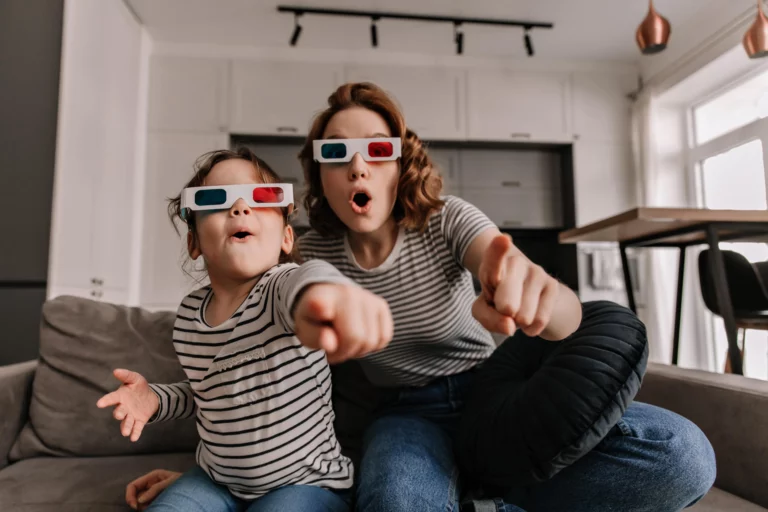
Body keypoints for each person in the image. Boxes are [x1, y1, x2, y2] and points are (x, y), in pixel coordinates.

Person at [126, 83, 715, 512]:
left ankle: (483, 497)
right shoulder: (304, 254)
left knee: (684, 456)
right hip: (407, 414)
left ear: (399, 162)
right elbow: (240, 364)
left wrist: (535, 292)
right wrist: (205, 484)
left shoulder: (447, 221)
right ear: (319, 176)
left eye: (377, 150)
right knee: (396, 504)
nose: (357, 166)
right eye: (335, 154)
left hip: (494, 394)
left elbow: (506, 266)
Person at [97, 147, 393, 512]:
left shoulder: (279, 288)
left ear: (286, 238)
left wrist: (329, 294)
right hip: (215, 481)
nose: (239, 208)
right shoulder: (189, 316)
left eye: (261, 197)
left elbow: (308, 279)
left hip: (305, 484)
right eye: (215, 200)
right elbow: (211, 392)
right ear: (194, 242)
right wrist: (155, 400)